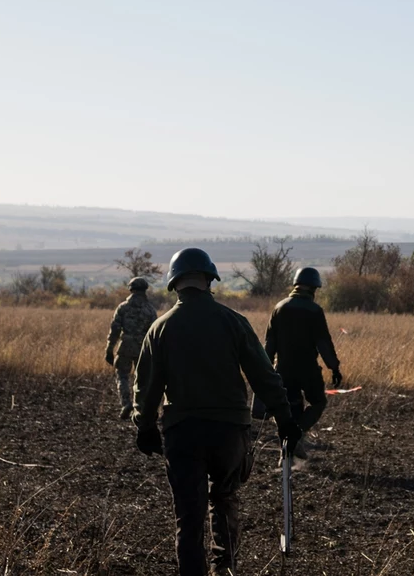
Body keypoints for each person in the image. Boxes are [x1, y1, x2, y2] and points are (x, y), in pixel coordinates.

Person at [133, 247, 302, 576]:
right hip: (229, 432)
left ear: (174, 283)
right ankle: (225, 569)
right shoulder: (233, 321)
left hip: (182, 433)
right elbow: (264, 376)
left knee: (189, 517)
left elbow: (148, 386)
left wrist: (145, 427)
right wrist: (285, 419)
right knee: (224, 502)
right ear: (210, 280)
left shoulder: (161, 329)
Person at [264, 266, 342, 459]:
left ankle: (288, 454)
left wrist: (265, 370)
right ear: (314, 289)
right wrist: (334, 367)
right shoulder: (315, 311)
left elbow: (269, 343)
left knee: (291, 408)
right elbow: (323, 343)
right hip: (308, 370)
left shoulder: (279, 307)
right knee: (318, 402)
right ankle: (295, 437)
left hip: (283, 370)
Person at [104, 276, 157, 420]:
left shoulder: (123, 307)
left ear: (131, 289)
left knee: (122, 376)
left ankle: (126, 403)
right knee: (142, 379)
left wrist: (109, 349)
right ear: (145, 290)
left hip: (125, 346)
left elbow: (115, 329)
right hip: (143, 349)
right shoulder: (150, 310)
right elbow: (153, 333)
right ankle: (139, 406)